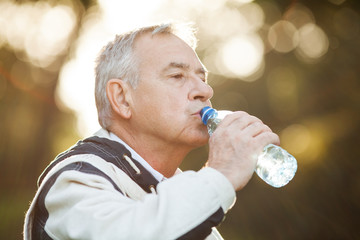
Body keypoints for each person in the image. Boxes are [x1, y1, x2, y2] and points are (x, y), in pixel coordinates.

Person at [24, 22, 280, 240]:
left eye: (203, 78)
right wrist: (220, 174)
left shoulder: (186, 204)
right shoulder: (75, 180)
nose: (206, 91)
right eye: (177, 76)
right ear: (122, 98)